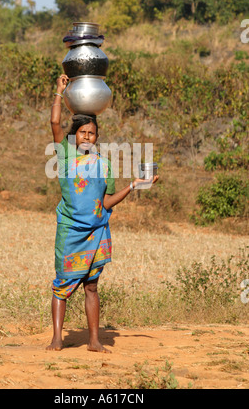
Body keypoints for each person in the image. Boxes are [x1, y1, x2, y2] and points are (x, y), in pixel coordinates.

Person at [46, 74, 159, 353]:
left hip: (97, 231)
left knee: (92, 287)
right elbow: (53, 123)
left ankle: (94, 341)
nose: (87, 136)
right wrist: (59, 92)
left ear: (97, 137)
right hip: (71, 230)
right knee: (62, 285)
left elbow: (107, 202)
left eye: (92, 133)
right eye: (83, 132)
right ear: (75, 135)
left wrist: (134, 185)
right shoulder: (65, 155)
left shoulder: (104, 165)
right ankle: (57, 338)